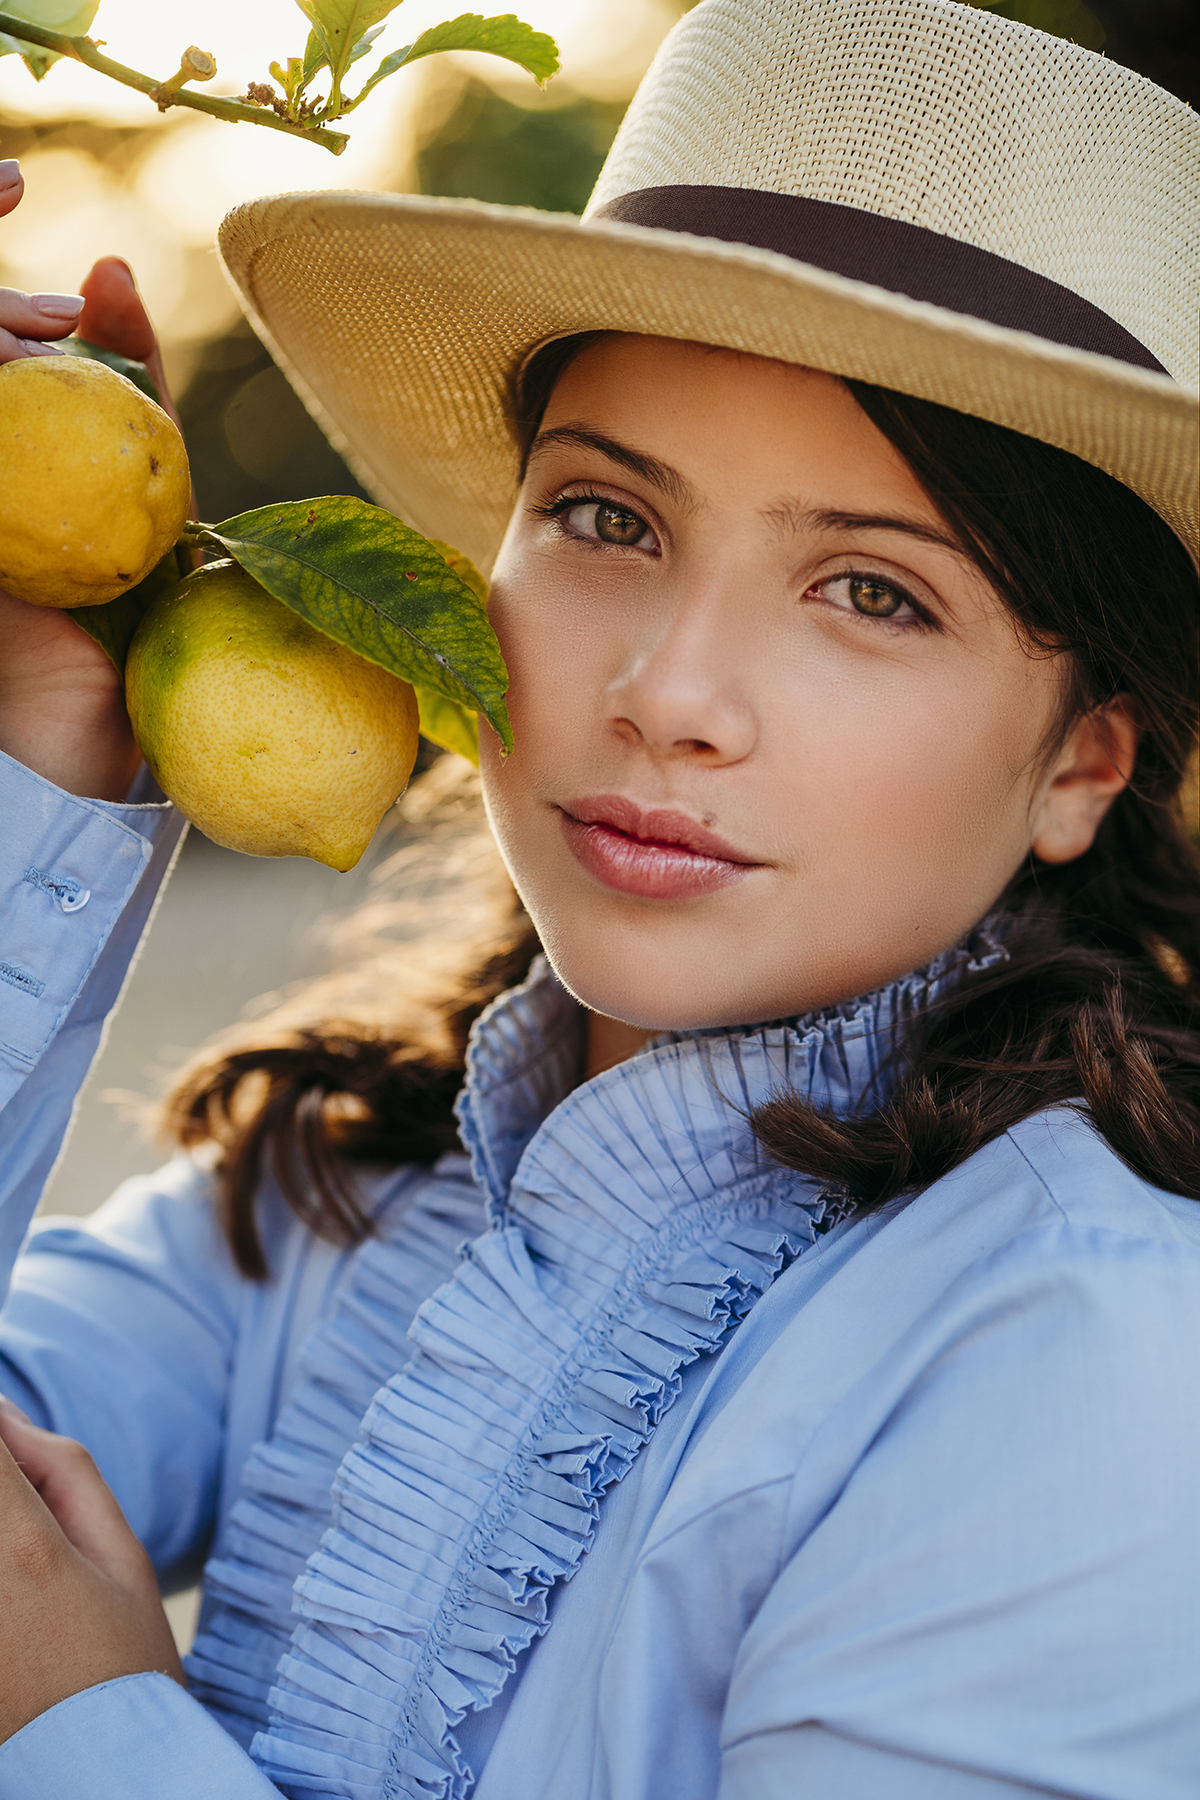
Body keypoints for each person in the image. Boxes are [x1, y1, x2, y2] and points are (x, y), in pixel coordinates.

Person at [0, 0, 1197, 1793]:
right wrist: (46, 750)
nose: (668, 692)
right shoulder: (339, 1190)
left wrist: (84, 1729)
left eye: (875, 593)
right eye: (606, 520)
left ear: (1084, 762)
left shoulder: (1093, 1360)